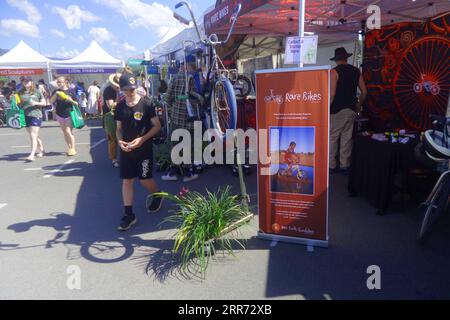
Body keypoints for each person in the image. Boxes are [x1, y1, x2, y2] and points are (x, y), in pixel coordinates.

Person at [114, 72, 164, 231]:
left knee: (144, 180)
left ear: (136, 88)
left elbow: (157, 126)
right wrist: (120, 141)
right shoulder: (120, 106)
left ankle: (157, 193)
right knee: (127, 180)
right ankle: (129, 215)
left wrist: (141, 140)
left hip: (144, 150)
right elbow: (118, 129)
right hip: (127, 151)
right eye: (127, 90)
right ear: (121, 89)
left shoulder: (147, 104)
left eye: (132, 89)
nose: (130, 92)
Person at [162, 56, 203, 182]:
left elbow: (167, 98)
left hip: (177, 118)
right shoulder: (199, 77)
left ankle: (173, 172)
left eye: (181, 65)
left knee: (175, 144)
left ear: (184, 65)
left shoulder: (177, 77)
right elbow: (202, 96)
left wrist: (172, 107)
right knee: (188, 145)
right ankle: (188, 172)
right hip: (192, 117)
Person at [329, 47, 367, 174]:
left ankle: (331, 165)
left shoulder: (334, 72)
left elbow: (332, 94)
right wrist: (358, 105)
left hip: (336, 110)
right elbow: (364, 92)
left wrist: (326, 107)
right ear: (346, 58)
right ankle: (345, 164)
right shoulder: (356, 71)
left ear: (336, 60)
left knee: (333, 137)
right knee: (346, 137)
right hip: (351, 109)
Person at [18, 77, 46, 162]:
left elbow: (44, 103)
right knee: (33, 134)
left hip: (36, 114)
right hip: (25, 115)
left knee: (32, 136)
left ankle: (32, 155)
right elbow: (19, 104)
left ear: (31, 82)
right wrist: (15, 101)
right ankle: (41, 148)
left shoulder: (37, 91)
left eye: (27, 81)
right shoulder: (20, 92)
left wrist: (35, 103)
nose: (25, 83)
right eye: (24, 81)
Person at [50, 76, 79, 156]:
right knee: (64, 132)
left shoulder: (71, 91)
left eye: (61, 82)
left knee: (68, 131)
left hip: (69, 113)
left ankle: (73, 148)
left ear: (65, 82)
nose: (59, 83)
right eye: (58, 82)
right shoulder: (56, 91)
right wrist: (56, 94)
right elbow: (51, 101)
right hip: (59, 114)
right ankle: (69, 147)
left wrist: (70, 99)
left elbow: (76, 103)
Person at [103, 73, 123, 168]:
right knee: (112, 138)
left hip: (122, 115)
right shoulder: (108, 90)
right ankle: (114, 158)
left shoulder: (123, 88)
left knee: (124, 136)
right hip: (111, 117)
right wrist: (119, 98)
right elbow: (110, 105)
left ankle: (125, 158)